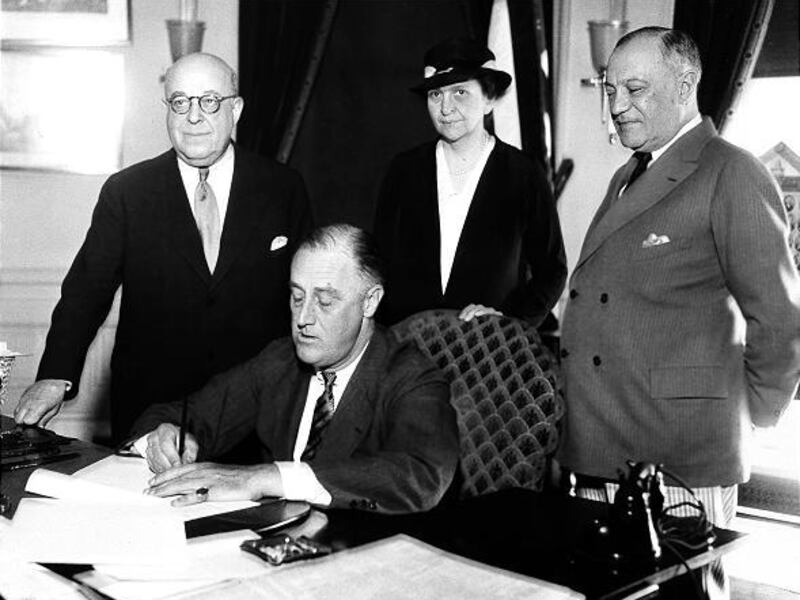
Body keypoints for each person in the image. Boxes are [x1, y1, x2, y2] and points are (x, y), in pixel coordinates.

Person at [557, 27, 800, 527]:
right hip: (602, 442)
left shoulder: (732, 172)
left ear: (686, 84)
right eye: (610, 90)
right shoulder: (625, 177)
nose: (617, 105)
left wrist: (747, 412)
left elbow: (779, 320)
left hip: (680, 453)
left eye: (635, 89)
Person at [14, 53, 312, 441]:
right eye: (180, 102)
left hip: (256, 414)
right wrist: (56, 374)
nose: (193, 117)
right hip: (150, 413)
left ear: (235, 109)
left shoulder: (282, 188)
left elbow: (307, 292)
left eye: (209, 101)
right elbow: (86, 292)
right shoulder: (127, 193)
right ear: (166, 109)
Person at [129, 224, 459, 514]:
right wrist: (164, 437)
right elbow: (185, 413)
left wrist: (266, 476)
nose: (303, 319)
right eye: (297, 297)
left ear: (370, 302)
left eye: (325, 302)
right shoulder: (280, 361)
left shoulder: (410, 375)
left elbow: (421, 474)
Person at [373, 37, 566, 327]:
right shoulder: (404, 169)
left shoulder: (523, 173)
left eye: (460, 92)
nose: (445, 108)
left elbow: (551, 270)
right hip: (408, 352)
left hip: (486, 354)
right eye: (436, 95)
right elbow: (379, 263)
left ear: (489, 100)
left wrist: (508, 322)